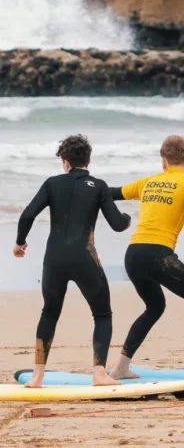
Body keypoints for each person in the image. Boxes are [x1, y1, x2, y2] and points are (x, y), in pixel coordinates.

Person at [109, 135, 184, 381]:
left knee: (154, 306)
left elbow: (109, 193)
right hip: (158, 256)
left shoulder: (148, 182)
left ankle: (120, 368)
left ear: (163, 161)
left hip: (133, 255)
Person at [13, 134, 131, 388]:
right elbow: (118, 225)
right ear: (88, 161)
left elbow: (27, 215)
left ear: (65, 162)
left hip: (54, 259)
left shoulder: (51, 184)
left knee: (49, 313)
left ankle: (37, 377)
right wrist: (128, 218)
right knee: (102, 314)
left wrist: (20, 242)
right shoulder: (98, 186)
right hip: (84, 257)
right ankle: (99, 374)